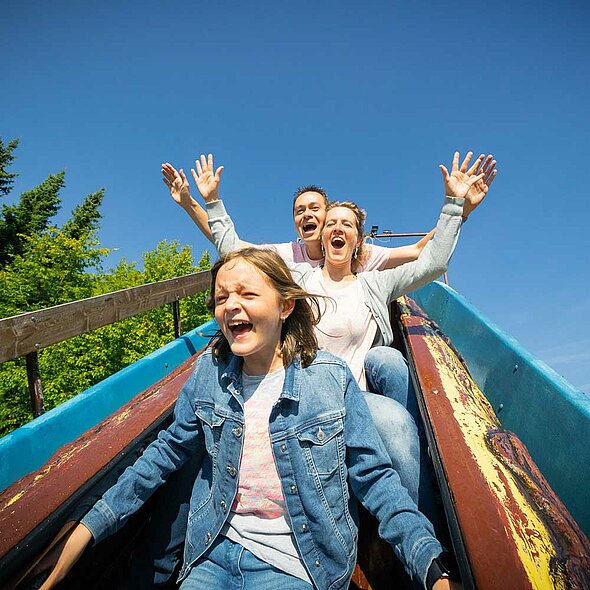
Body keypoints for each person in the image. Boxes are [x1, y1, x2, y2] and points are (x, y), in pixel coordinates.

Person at [36, 248, 458, 590]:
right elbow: (160, 456)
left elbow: (376, 479)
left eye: (247, 294)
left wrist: (430, 567)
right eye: (221, 298)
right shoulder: (209, 375)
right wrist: (87, 528)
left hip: (301, 565)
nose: (231, 305)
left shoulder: (330, 380)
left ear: (286, 305)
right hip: (214, 553)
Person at [161, 156, 442, 271]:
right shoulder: (287, 255)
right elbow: (230, 244)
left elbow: (417, 251)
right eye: (299, 211)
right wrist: (190, 202)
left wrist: (458, 211)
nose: (306, 214)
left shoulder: (356, 255)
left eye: (314, 208)